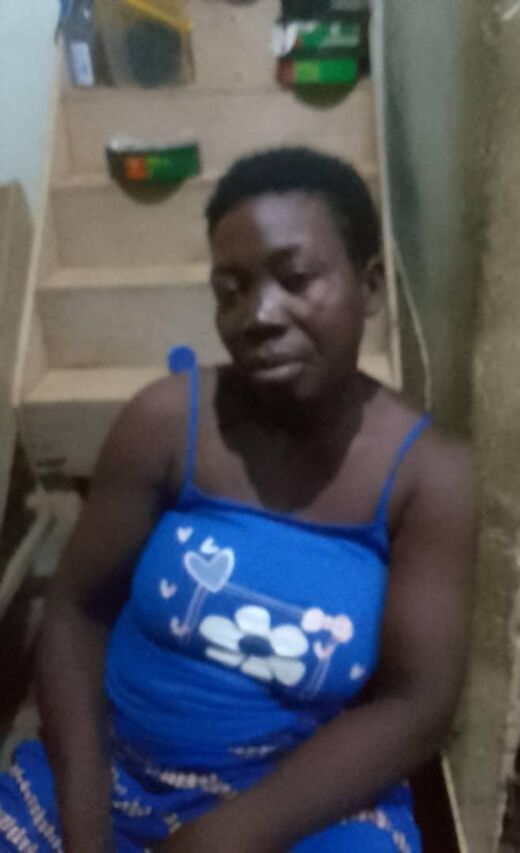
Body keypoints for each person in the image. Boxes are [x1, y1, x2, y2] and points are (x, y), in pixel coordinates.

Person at [0, 147, 475, 852]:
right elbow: (75, 611)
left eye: (295, 278)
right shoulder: (167, 422)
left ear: (370, 285)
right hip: (113, 773)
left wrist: (220, 839)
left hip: (295, 808)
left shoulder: (428, 475)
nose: (259, 314)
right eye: (230, 290)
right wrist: (85, 829)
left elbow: (417, 705)